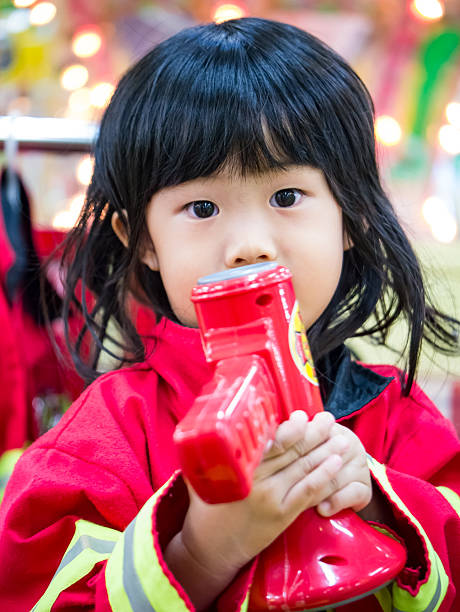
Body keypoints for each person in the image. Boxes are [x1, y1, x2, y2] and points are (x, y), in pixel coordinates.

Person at [0, 17, 459, 611]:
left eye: (286, 197)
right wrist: (201, 551)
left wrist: (380, 503)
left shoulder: (397, 418)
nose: (249, 244)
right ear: (141, 240)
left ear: (354, 215)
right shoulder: (106, 437)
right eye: (201, 206)